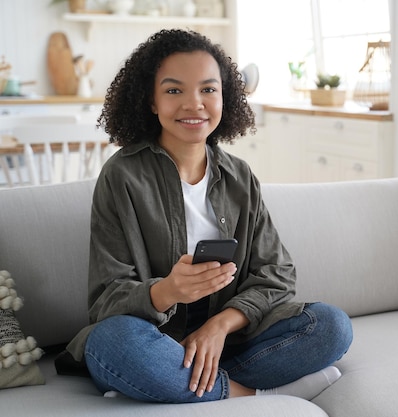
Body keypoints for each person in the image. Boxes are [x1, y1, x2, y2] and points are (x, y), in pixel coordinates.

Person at [61, 28, 353, 403]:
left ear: (224, 97)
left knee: (330, 326)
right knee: (112, 342)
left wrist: (218, 327)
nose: (193, 103)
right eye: (173, 90)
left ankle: (177, 385)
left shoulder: (239, 176)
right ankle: (251, 393)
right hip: (151, 338)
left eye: (208, 89)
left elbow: (276, 274)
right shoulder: (122, 175)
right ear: (151, 101)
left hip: (229, 341)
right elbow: (105, 298)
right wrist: (167, 291)